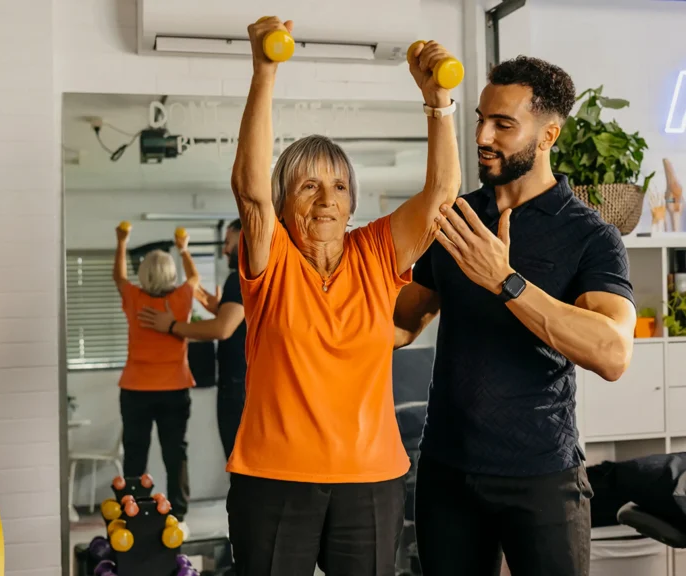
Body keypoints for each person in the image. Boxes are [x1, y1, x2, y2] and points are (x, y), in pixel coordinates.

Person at [219, 16, 460, 576]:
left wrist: (438, 102)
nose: (327, 199)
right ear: (285, 204)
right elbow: (250, 191)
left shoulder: (375, 251)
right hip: (274, 481)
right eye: (309, 185)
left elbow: (441, 195)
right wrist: (264, 73)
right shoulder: (271, 258)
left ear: (353, 204)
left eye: (340, 187)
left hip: (371, 482)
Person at [392, 56, 637, 576]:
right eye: (481, 118)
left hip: (542, 476)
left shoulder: (589, 235)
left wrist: (507, 282)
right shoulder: (455, 217)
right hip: (447, 472)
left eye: (504, 124)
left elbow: (613, 353)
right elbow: (400, 324)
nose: (483, 134)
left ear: (548, 135)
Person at [113, 224, 199, 535]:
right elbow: (194, 278)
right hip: (174, 390)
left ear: (145, 274)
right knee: (175, 452)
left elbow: (119, 278)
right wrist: (184, 249)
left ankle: (134, 511)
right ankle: (179, 514)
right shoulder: (182, 298)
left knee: (136, 452)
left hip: (135, 390)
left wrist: (122, 242)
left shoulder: (134, 297)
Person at [140, 219, 248, 458]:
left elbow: (222, 328)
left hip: (239, 389)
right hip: (239, 386)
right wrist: (184, 252)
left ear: (244, 239)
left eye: (228, 242)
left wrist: (172, 326)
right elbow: (227, 313)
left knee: (240, 464)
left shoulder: (239, 279)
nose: (224, 250)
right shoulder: (248, 279)